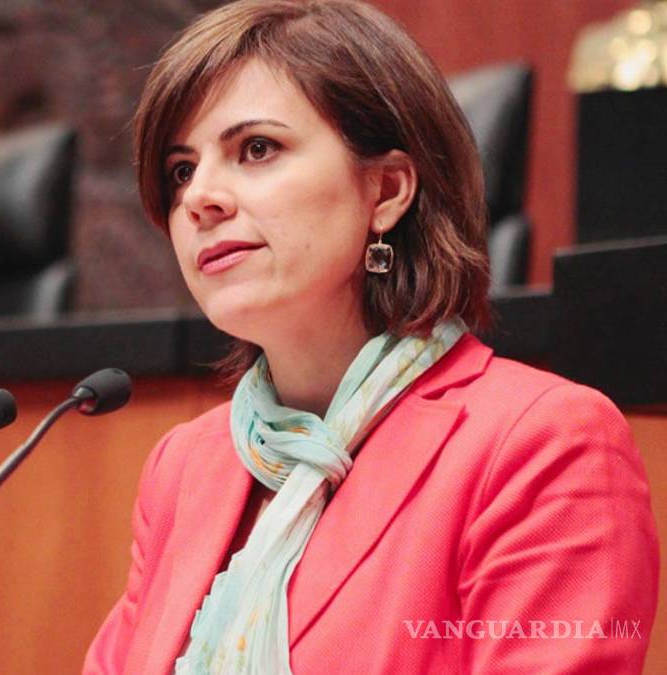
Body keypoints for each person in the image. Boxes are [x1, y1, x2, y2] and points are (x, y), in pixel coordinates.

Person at [83, 1, 659, 673]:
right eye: (182, 169)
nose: (198, 198)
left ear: (385, 191)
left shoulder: (541, 445)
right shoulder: (185, 467)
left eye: (257, 149)